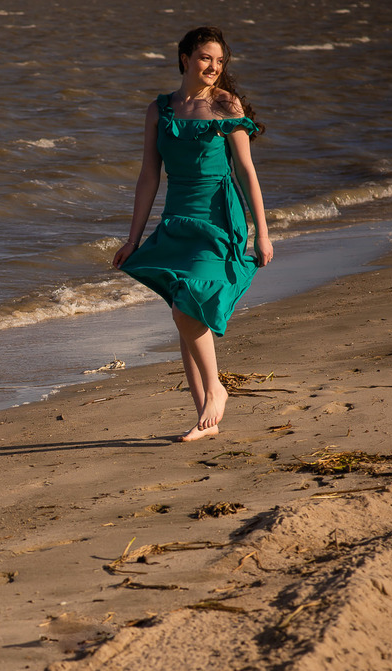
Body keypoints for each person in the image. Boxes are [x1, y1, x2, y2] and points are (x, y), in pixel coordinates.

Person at [112, 26, 272, 442]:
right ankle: (207, 416)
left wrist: (262, 233)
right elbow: (149, 176)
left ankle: (216, 389)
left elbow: (246, 171)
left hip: (219, 215)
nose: (213, 67)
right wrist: (133, 238)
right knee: (181, 307)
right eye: (205, 58)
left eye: (219, 61)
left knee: (188, 308)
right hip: (177, 218)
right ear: (184, 58)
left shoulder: (225, 105)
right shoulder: (160, 110)